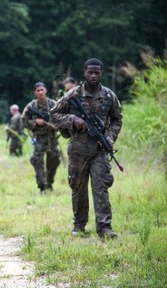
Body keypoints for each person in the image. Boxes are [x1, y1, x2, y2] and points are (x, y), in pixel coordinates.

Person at [50, 58, 123, 239]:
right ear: (84, 72)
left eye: (96, 72)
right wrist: (73, 120)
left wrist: (108, 138)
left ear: (101, 73)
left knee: (101, 188)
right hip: (78, 151)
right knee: (78, 188)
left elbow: (117, 120)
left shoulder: (108, 96)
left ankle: (104, 228)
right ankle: (79, 225)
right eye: (90, 72)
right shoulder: (73, 95)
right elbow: (53, 115)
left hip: (99, 150)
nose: (93, 75)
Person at [22, 82, 61, 194]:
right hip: (39, 138)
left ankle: (49, 184)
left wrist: (49, 124)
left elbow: (61, 120)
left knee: (54, 160)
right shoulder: (31, 106)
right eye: (38, 90)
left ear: (46, 91)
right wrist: (35, 122)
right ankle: (42, 187)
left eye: (42, 90)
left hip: (52, 138)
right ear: (35, 92)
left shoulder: (54, 104)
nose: (40, 92)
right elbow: (23, 120)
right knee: (37, 161)